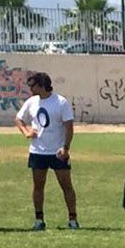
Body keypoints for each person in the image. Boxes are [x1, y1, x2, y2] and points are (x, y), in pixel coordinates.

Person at [18, 72, 79, 230]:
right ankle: (39, 219)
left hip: (58, 152)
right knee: (38, 186)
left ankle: (73, 219)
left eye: (33, 85)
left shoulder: (60, 102)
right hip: (38, 151)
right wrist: (26, 132)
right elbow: (18, 118)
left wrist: (66, 147)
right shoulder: (31, 102)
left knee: (66, 185)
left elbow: (69, 127)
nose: (30, 89)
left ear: (41, 85)